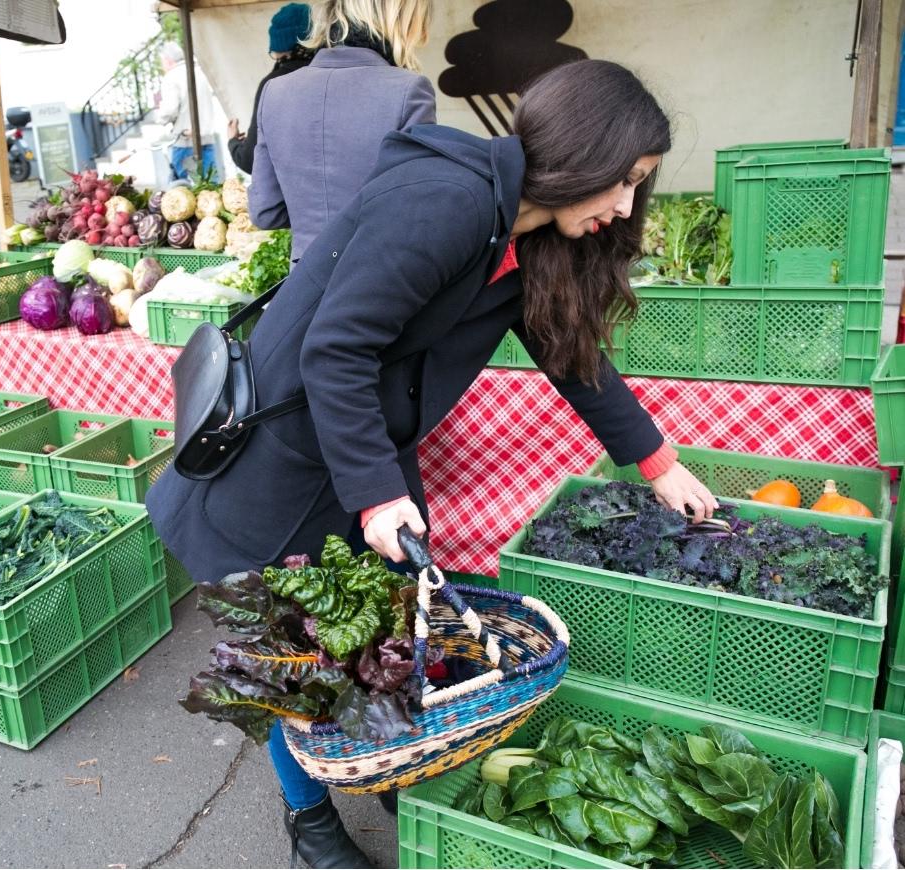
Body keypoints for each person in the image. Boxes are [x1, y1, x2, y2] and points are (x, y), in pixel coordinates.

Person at [148, 59, 720, 868]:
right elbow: (336, 349)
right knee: (290, 657)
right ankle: (309, 821)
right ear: (581, 154)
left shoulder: (524, 233)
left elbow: (571, 356)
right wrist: (380, 496)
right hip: (284, 451)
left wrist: (656, 462)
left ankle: (382, 765)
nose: (626, 206)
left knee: (381, 631)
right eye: (622, 182)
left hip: (357, 448)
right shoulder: (449, 200)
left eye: (638, 187)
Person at [248, 0, 436, 261]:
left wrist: (313, 213)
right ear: (402, 20)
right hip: (382, 278)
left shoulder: (275, 91)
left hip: (305, 284)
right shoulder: (410, 90)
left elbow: (265, 211)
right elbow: (418, 210)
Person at [226, 3, 315, 175]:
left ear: (279, 47)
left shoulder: (273, 84)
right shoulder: (336, 74)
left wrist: (233, 141)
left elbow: (250, 161)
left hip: (291, 197)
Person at [156, 41, 219, 182]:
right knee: (210, 183)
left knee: (179, 185)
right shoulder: (200, 72)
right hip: (206, 135)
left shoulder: (172, 77)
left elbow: (169, 110)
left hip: (185, 138)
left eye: (162, 62)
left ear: (168, 60)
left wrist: (160, 118)